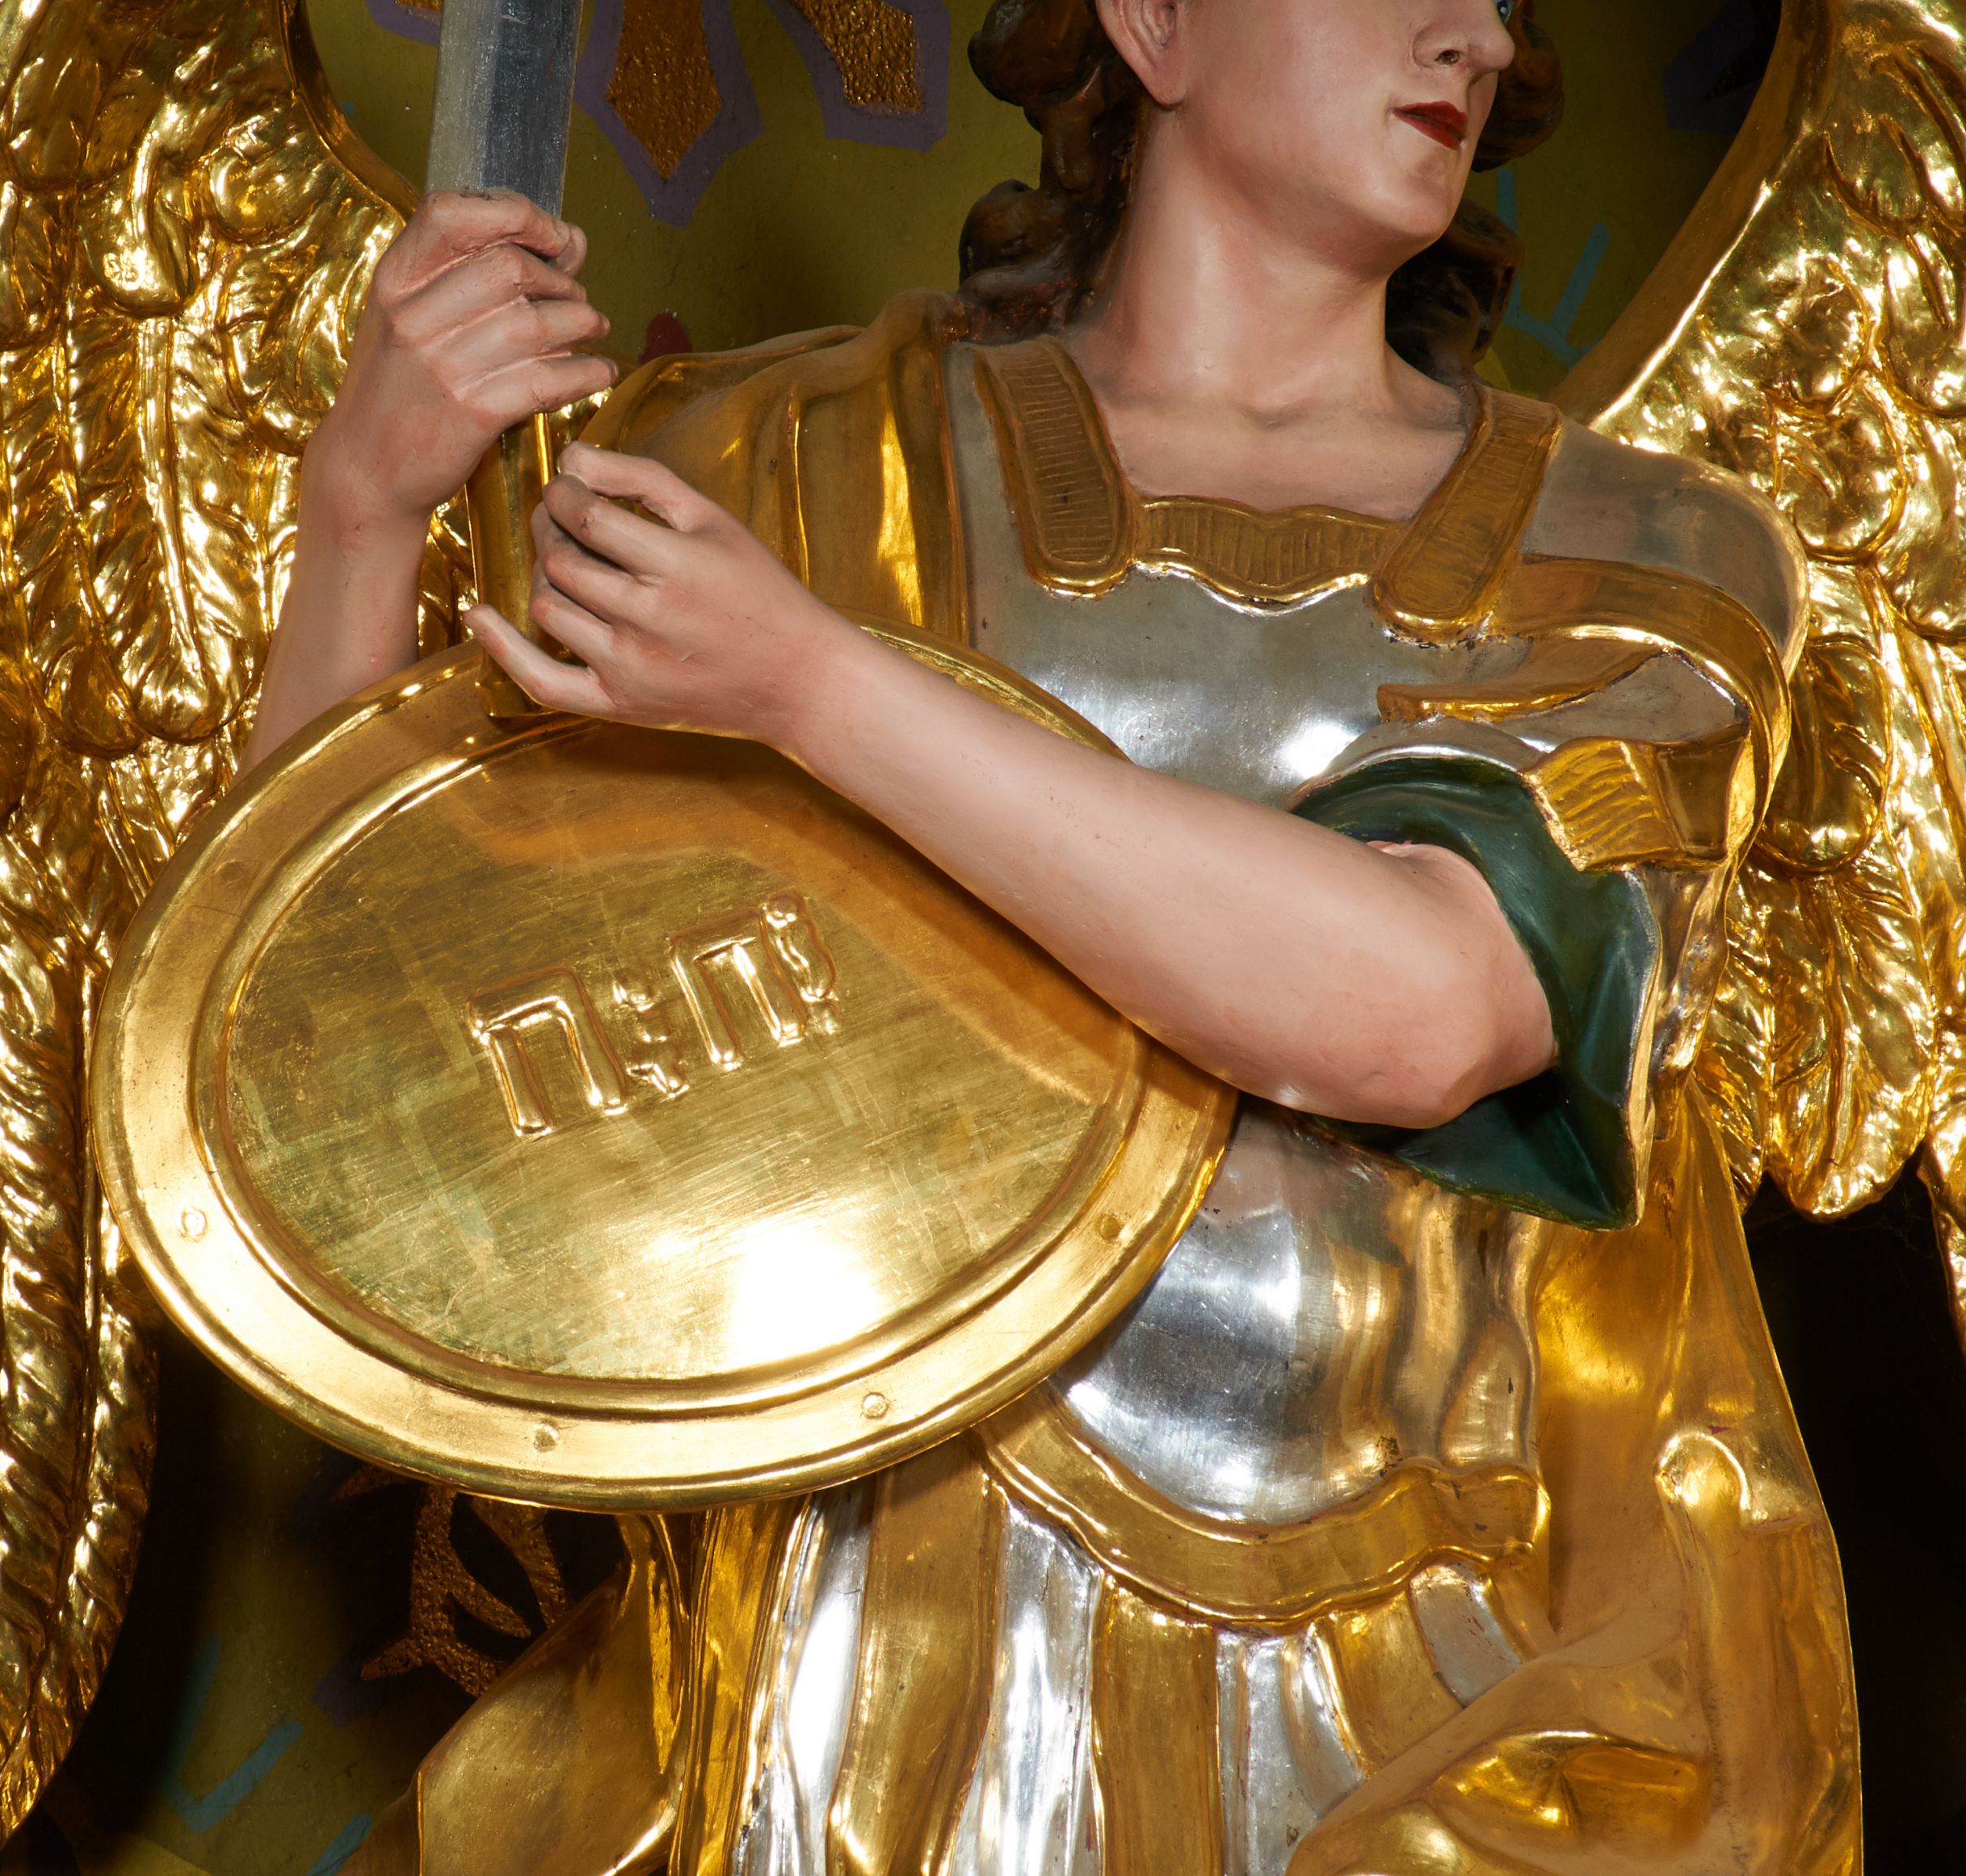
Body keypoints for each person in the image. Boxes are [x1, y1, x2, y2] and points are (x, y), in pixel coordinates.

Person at [253, 0, 1859, 1869]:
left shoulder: (1650, 555)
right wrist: (364, 514)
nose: (1474, 37)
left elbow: (1418, 1007)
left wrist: (811, 687)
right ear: (1154, 23)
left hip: (1388, 1722)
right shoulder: (772, 468)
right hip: (821, 1687)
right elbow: (365, 1068)